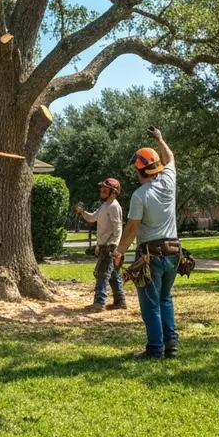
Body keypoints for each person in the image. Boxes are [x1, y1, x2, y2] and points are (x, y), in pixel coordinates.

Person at [116, 127, 179, 359]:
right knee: (165, 298)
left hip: (150, 255)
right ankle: (171, 344)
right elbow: (170, 158)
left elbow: (132, 227)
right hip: (174, 252)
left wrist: (118, 251)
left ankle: (155, 350)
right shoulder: (169, 182)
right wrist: (161, 139)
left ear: (139, 170)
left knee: (151, 303)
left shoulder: (140, 195)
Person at [76, 178, 126, 312]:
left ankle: (99, 303)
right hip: (105, 245)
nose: (101, 190)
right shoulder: (104, 206)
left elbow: (118, 229)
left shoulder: (114, 206)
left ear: (113, 192)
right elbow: (92, 218)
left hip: (109, 247)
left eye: (105, 188)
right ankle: (120, 301)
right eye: (101, 188)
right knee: (112, 274)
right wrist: (82, 212)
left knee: (102, 274)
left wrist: (114, 248)